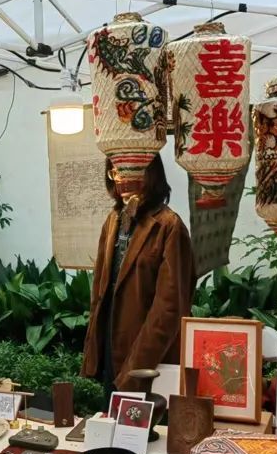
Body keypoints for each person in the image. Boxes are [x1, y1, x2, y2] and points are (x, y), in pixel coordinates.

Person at [81, 154, 196, 396]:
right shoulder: (113, 220)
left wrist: (136, 367)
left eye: (131, 171)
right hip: (113, 340)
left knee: (144, 414)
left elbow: (169, 309)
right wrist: (94, 349)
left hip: (149, 353)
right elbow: (99, 293)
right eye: (116, 172)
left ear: (151, 173)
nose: (122, 180)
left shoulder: (169, 225)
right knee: (112, 412)